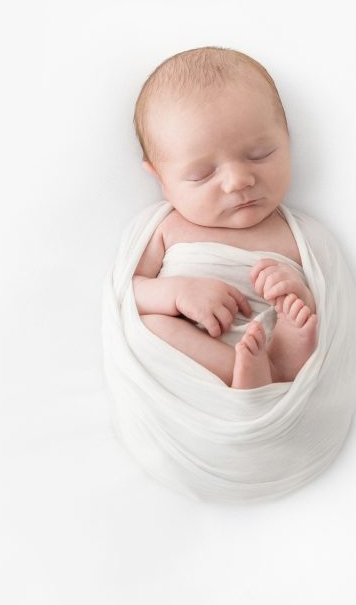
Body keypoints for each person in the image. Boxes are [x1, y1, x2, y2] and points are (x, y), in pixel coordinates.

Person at [130, 46, 318, 389]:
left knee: (304, 323)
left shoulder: (297, 234)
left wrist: (295, 293)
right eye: (202, 174)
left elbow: (330, 302)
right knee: (153, 326)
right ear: (161, 180)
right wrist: (176, 292)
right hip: (199, 362)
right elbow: (129, 294)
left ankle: (278, 367)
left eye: (260, 155)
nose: (238, 181)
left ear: (287, 140)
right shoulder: (166, 228)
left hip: (272, 346)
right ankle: (247, 373)